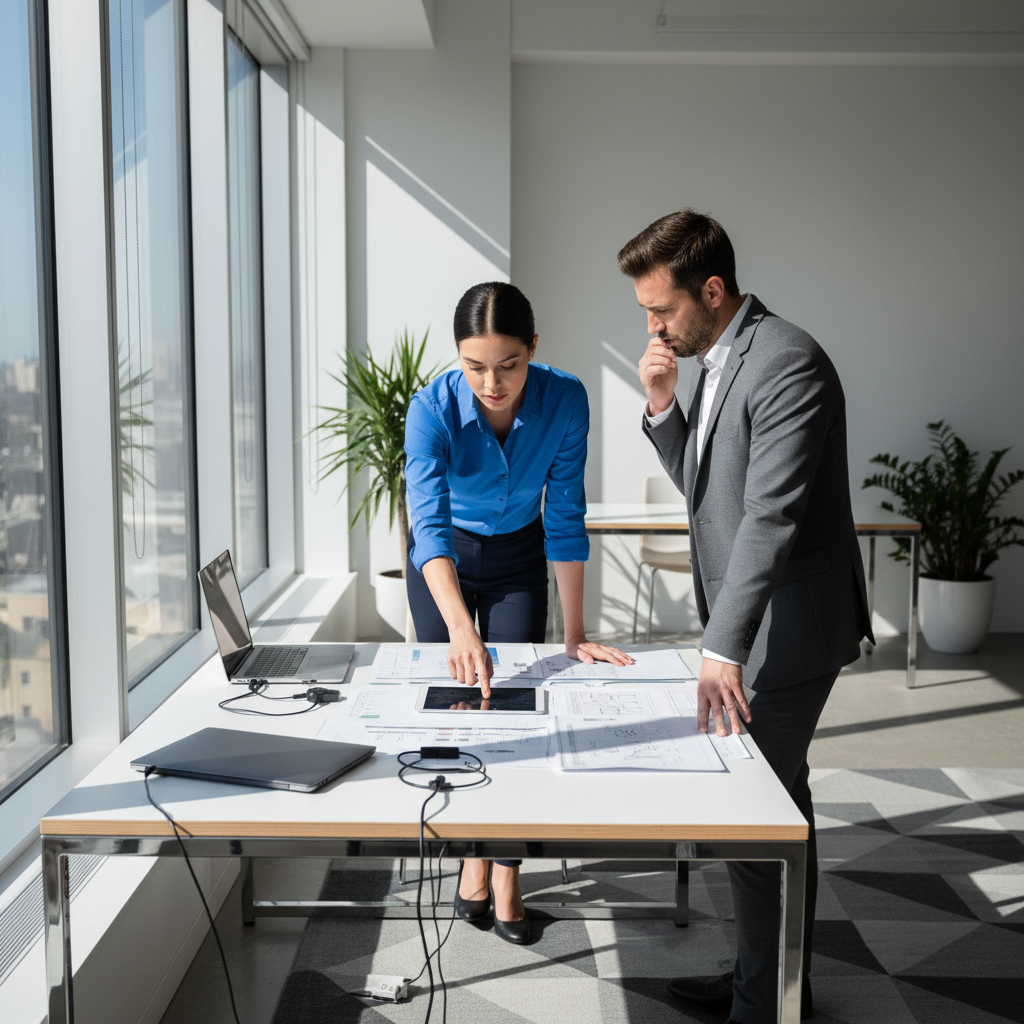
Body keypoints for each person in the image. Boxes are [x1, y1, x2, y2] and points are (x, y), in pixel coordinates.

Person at [618, 210, 872, 1023]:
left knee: (752, 816)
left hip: (788, 633)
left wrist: (721, 648)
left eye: (662, 310)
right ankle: (769, 982)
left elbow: (768, 516)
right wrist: (662, 405)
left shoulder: (787, 361)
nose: (654, 327)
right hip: (759, 624)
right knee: (782, 808)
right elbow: (707, 490)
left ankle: (762, 1002)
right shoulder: (720, 357)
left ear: (714, 289)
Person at [404, 281, 632, 944]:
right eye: (475, 366)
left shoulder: (565, 400)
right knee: (453, 707)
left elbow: (563, 515)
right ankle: (469, 862)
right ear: (458, 356)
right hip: (443, 565)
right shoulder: (432, 409)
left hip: (516, 557)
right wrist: (458, 626)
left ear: (533, 347)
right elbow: (429, 526)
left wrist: (577, 634)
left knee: (511, 710)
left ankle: (500, 873)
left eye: (508, 364)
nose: (492, 383)